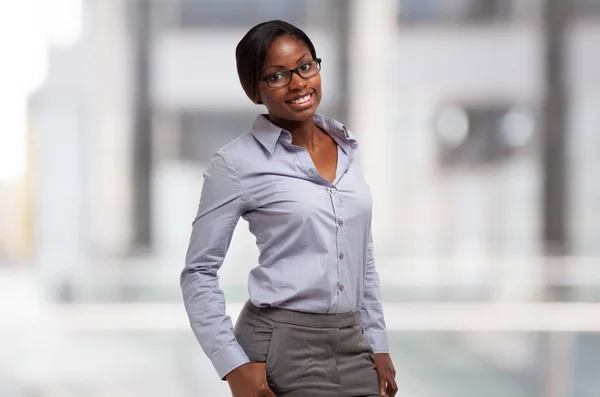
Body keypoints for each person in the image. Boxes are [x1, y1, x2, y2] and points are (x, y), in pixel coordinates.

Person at [181, 20, 397, 397]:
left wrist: (378, 341)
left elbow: (362, 254)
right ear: (254, 91)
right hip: (280, 348)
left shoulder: (348, 148)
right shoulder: (235, 163)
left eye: (305, 66)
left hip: (354, 344)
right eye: (277, 75)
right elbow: (198, 272)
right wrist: (232, 364)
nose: (298, 83)